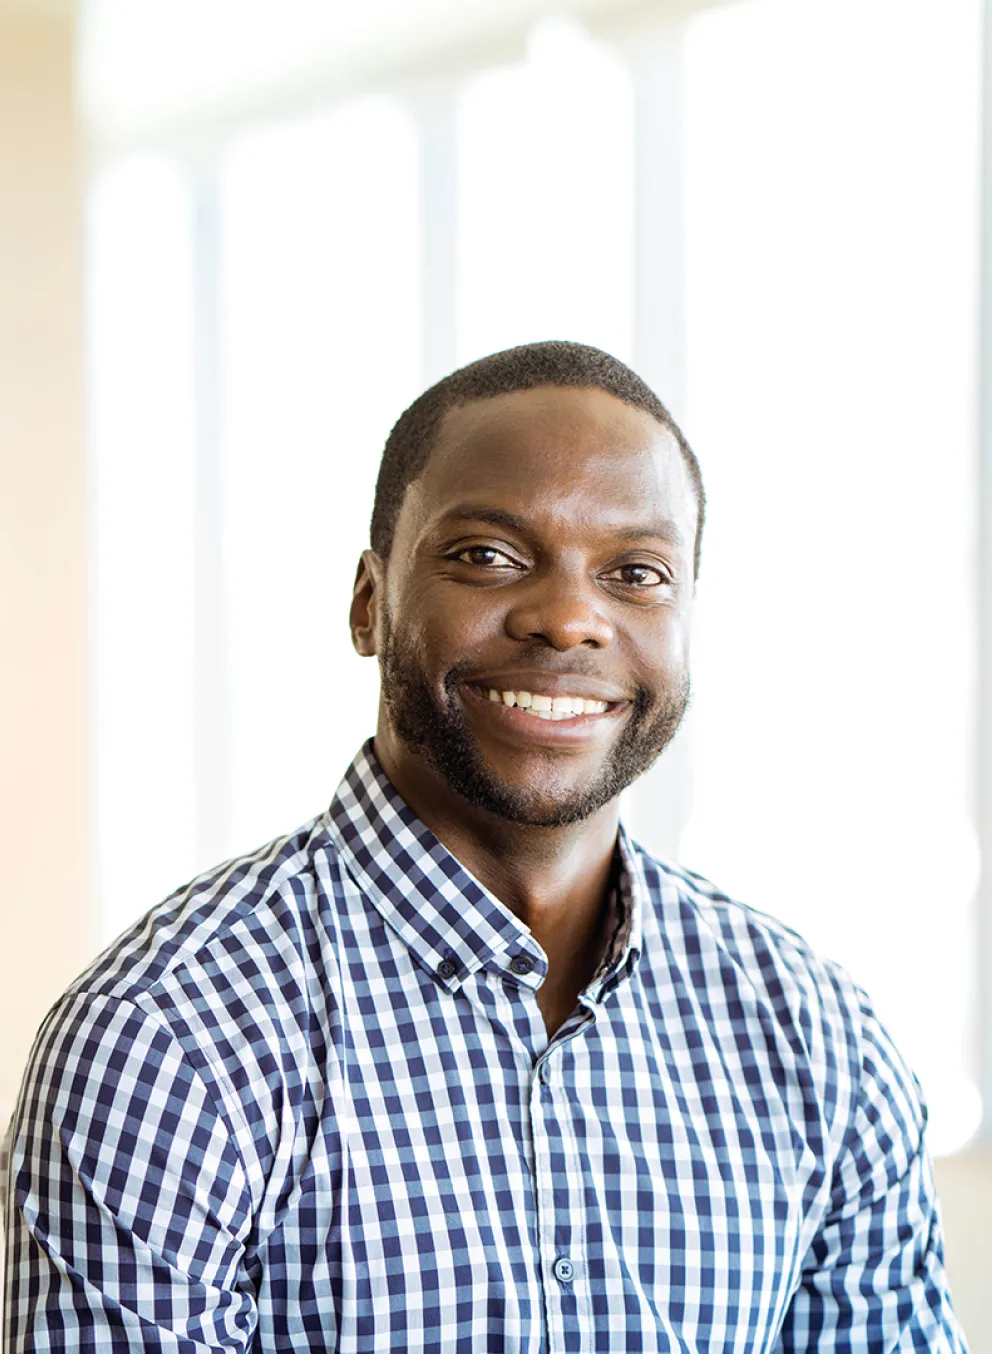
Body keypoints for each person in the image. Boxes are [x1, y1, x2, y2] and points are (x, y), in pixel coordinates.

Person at [2, 341, 966, 1352]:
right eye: (487, 556)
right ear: (369, 602)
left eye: (634, 572)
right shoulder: (168, 1041)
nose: (565, 619)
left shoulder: (817, 1038)